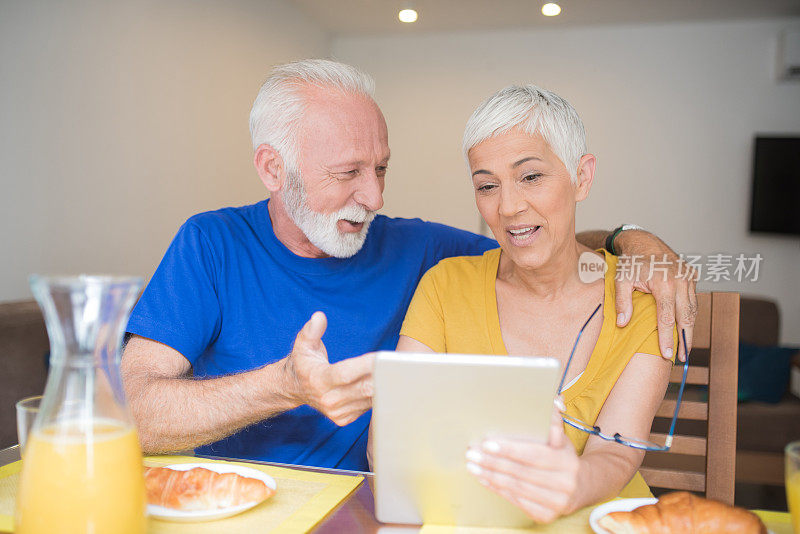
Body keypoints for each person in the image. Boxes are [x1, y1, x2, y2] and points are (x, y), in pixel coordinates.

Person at [121, 59, 697, 472]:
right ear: (274, 170)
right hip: (231, 509)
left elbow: (534, 240)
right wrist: (283, 386)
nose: (373, 198)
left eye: (381, 169)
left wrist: (635, 242)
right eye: (348, 174)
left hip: (364, 510)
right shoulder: (211, 244)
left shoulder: (417, 252)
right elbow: (130, 414)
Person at [393, 84, 682, 522]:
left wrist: (572, 487)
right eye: (487, 185)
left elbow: (617, 451)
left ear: (581, 177)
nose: (508, 207)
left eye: (531, 177)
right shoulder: (445, 287)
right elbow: (394, 440)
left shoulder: (640, 300)